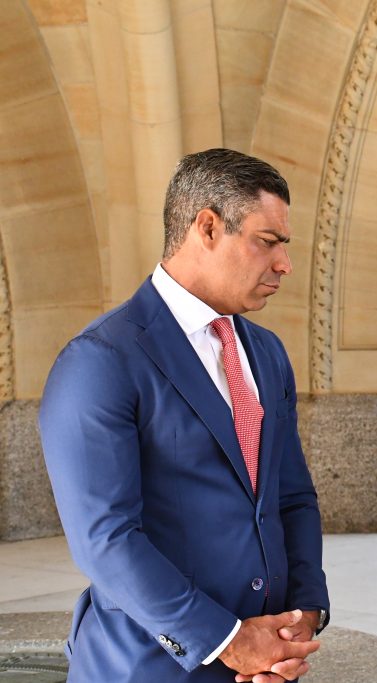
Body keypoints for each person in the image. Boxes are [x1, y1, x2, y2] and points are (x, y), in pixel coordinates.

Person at [39, 149, 329, 683]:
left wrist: (303, 615)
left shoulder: (266, 353)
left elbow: (291, 498)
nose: (285, 265)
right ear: (208, 227)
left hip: (268, 662)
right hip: (150, 666)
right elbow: (105, 538)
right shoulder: (99, 360)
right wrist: (228, 641)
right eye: (268, 242)